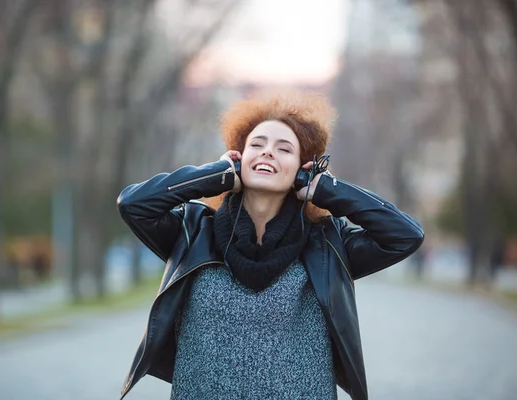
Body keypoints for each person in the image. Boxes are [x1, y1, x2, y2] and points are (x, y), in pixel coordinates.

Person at [117, 91, 424, 400]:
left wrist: (327, 189)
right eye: (257, 145)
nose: (267, 153)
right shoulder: (193, 231)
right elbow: (134, 204)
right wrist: (215, 176)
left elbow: (404, 235)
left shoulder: (327, 244)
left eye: (284, 148)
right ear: (239, 159)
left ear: (302, 169)